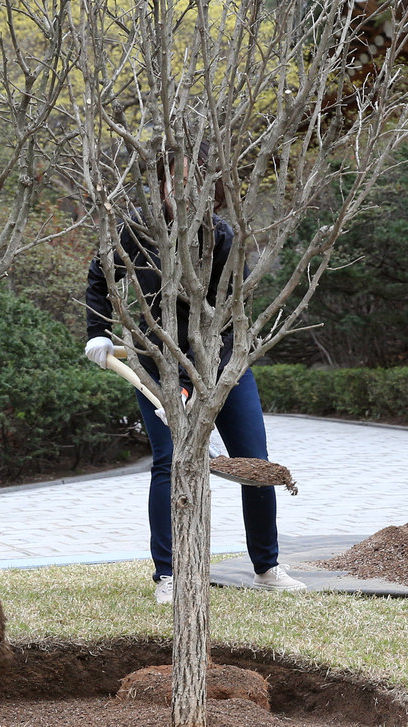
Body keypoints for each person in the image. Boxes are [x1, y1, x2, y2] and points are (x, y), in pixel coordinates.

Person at [83, 145, 306, 605]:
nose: (184, 191)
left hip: (222, 365)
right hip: (157, 364)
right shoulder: (139, 235)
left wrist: (201, 382)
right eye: (175, 181)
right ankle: (169, 576)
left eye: (196, 181)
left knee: (255, 462)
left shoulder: (223, 238)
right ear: (161, 186)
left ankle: (266, 566)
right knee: (170, 463)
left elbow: (232, 317)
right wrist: (97, 333)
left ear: (212, 187)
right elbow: (98, 275)